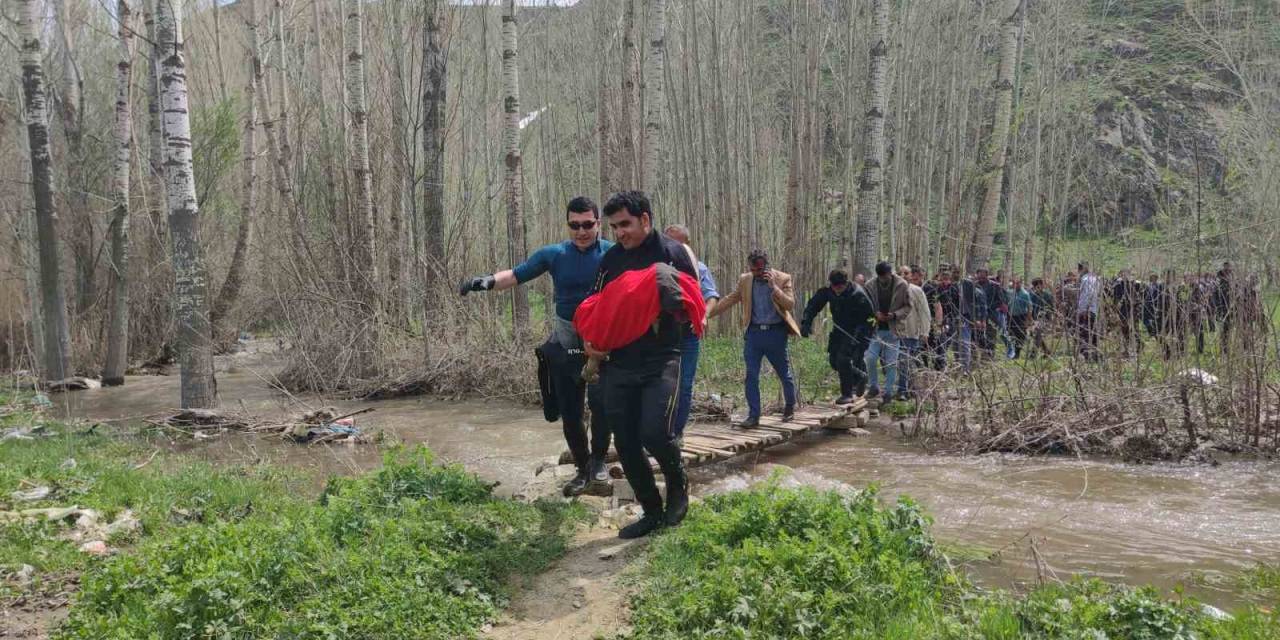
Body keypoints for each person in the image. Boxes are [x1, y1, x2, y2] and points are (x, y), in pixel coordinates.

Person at [459, 196, 612, 497]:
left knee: (601, 404)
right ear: (568, 224)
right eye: (574, 225)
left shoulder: (613, 254)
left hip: (603, 338)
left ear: (598, 223)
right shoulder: (554, 254)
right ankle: (582, 469)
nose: (581, 231)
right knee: (570, 410)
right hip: (567, 340)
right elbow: (517, 274)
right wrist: (486, 281)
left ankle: (598, 463)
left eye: (587, 225)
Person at [586, 190, 697, 539]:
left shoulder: (672, 253)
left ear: (645, 220)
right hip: (619, 361)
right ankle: (650, 510)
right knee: (627, 440)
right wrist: (591, 341)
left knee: (655, 432)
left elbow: (692, 303)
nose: (619, 233)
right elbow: (597, 303)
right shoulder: (611, 261)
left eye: (625, 225)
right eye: (615, 226)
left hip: (662, 358)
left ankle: (678, 487)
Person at [710, 249, 801, 428]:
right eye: (754, 270)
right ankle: (753, 416)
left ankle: (790, 406)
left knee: (783, 372)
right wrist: (707, 314)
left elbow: (790, 304)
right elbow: (730, 299)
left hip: (776, 333)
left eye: (760, 270)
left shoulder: (783, 278)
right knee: (751, 375)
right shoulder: (745, 280)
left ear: (767, 266)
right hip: (754, 334)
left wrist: (773, 287)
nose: (757, 273)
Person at [662, 224, 720, 440]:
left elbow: (711, 295)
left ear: (687, 245)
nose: (672, 247)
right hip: (660, 336)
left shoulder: (699, 268)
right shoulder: (656, 267)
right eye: (668, 242)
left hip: (688, 334)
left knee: (684, 385)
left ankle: (677, 433)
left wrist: (703, 315)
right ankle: (658, 433)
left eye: (678, 243)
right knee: (660, 385)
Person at [800, 269, 873, 404]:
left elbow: (871, 319)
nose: (837, 290)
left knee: (843, 359)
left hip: (859, 332)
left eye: (840, 287)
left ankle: (847, 394)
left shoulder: (858, 294)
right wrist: (806, 323)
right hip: (839, 330)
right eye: (834, 287)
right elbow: (813, 306)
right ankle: (860, 376)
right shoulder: (828, 292)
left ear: (846, 283)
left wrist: (859, 338)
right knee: (834, 361)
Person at [862, 261, 911, 400]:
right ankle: (874, 386)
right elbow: (865, 306)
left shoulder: (902, 285)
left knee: (891, 362)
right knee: (870, 358)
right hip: (876, 329)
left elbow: (908, 307)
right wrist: (874, 313)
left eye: (886, 276)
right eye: (881, 277)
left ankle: (888, 391)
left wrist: (894, 315)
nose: (883, 279)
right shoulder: (870, 285)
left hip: (893, 329)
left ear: (891, 273)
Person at [896, 266, 933, 399]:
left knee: (905, 360)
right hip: (894, 333)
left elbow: (924, 312)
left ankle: (903, 390)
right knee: (899, 361)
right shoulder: (892, 291)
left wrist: (925, 331)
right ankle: (905, 387)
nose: (903, 275)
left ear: (911, 275)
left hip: (911, 332)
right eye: (900, 273)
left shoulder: (917, 291)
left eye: (906, 273)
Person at [973, 268, 1005, 361]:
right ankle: (978, 355)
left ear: (987, 276)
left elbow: (1001, 301)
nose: (981, 278)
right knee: (977, 337)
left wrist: (989, 307)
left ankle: (989, 357)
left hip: (991, 315)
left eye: (983, 276)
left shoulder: (995, 286)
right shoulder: (973, 285)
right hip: (977, 316)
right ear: (977, 275)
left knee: (990, 336)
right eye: (979, 276)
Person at [1110, 269, 1143, 357]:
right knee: (1125, 328)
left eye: (1126, 274)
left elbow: (1140, 297)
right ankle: (1128, 347)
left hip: (1133, 309)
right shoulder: (1119, 285)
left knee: (1133, 328)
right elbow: (1116, 300)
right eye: (1123, 274)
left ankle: (1137, 346)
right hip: (1125, 309)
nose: (1125, 276)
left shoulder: (1135, 284)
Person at [1076, 262, 1102, 361]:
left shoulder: (1086, 279)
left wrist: (1085, 309)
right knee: (1093, 332)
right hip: (1093, 309)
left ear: (1082, 269)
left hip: (1086, 310)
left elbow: (1088, 295)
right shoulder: (1095, 279)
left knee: (1084, 332)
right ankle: (1096, 355)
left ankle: (1087, 356)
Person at [1006, 277, 1033, 359]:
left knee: (1020, 335)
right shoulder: (1010, 292)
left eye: (1017, 283)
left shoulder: (1025, 294)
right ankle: (1011, 352)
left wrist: (1028, 320)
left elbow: (1029, 307)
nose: (1016, 285)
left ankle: (1017, 352)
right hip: (1011, 317)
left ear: (1021, 284)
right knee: (1011, 334)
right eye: (1014, 283)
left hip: (1021, 316)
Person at [1028, 278, 1054, 359]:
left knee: (1038, 333)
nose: (1039, 287)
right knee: (1037, 335)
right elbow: (1030, 308)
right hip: (1035, 319)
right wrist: (1031, 320)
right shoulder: (1032, 296)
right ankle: (1047, 352)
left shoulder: (1047, 295)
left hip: (1045, 318)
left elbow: (1052, 308)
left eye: (1040, 285)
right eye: (1037, 286)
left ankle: (1033, 354)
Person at [1142, 272, 1163, 339]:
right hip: (1147, 304)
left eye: (1154, 277)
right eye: (1152, 277)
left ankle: (1155, 333)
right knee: (1145, 319)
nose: (1153, 279)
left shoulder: (1159, 286)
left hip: (1155, 305)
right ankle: (1150, 331)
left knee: (1154, 319)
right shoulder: (1147, 285)